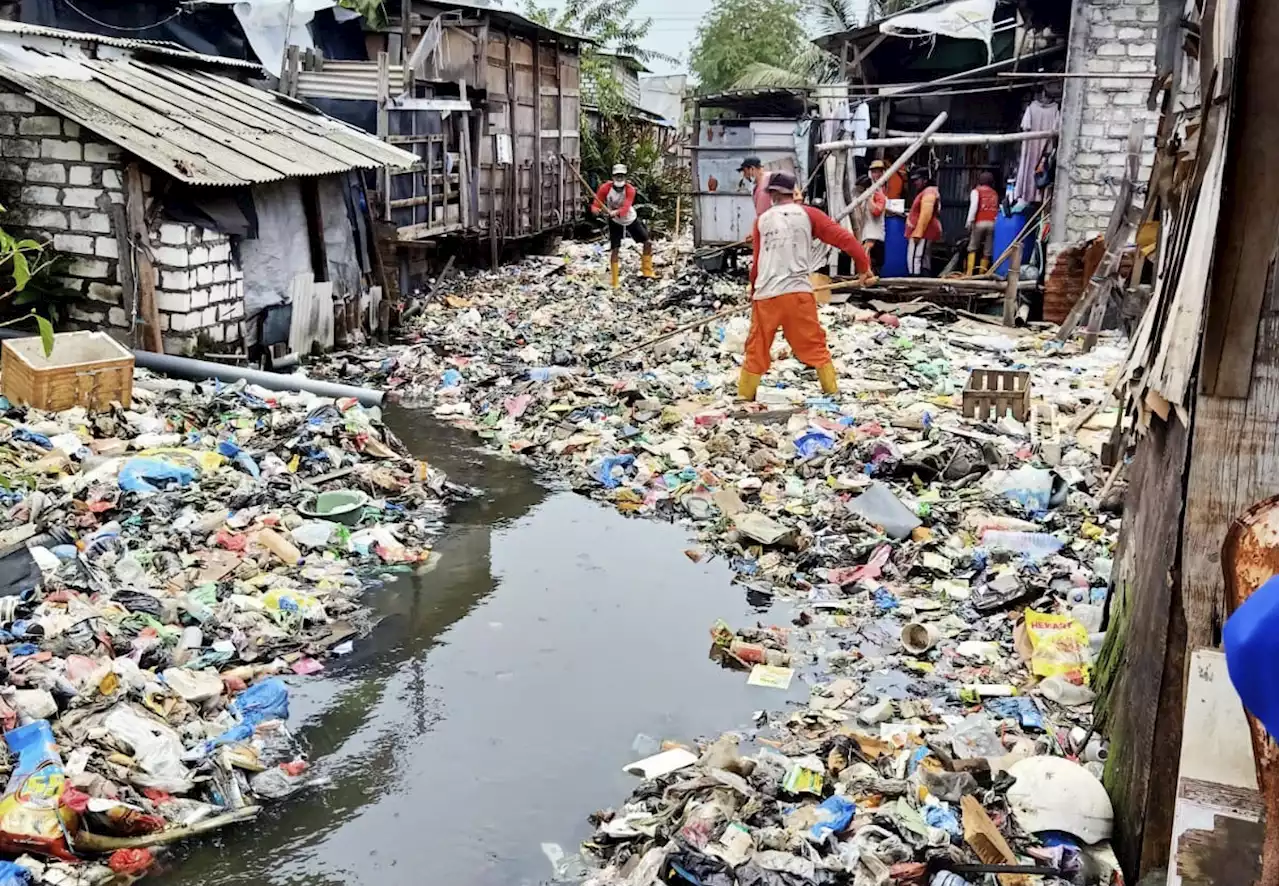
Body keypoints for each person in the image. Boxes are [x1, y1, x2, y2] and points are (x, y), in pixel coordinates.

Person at [739, 171, 876, 401]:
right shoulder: (809, 215)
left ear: (771, 194)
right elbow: (846, 240)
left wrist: (753, 292)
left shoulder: (761, 221)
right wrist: (864, 268)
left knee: (757, 346)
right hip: (798, 294)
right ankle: (831, 392)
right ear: (793, 192)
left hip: (766, 295)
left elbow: (757, 265)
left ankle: (744, 397)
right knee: (814, 343)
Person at [591, 163, 653, 288]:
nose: (619, 178)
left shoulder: (630, 189)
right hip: (615, 222)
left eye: (621, 176)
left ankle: (647, 270)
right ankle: (615, 281)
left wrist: (616, 212)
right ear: (613, 176)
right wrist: (595, 210)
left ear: (625, 177)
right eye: (617, 175)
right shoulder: (605, 188)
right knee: (615, 249)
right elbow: (596, 203)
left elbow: (626, 207)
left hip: (630, 219)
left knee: (647, 242)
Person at [906, 167, 942, 277]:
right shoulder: (929, 191)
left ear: (925, 180)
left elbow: (926, 212)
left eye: (918, 180)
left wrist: (918, 232)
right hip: (924, 230)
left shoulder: (929, 192)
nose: (915, 183)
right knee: (922, 257)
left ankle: (914, 281)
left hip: (923, 231)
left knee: (915, 257)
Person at [965, 170, 1000, 276]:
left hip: (979, 222)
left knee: (972, 247)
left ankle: (969, 274)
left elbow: (974, 207)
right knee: (987, 250)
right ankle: (982, 274)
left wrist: (969, 222)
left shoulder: (976, 191)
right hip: (993, 223)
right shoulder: (995, 193)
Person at [860, 160, 889, 273]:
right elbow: (876, 211)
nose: (877, 175)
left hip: (874, 231)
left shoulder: (879, 191)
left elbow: (877, 211)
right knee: (871, 258)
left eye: (879, 172)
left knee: (874, 259)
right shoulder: (874, 192)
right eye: (874, 172)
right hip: (872, 232)